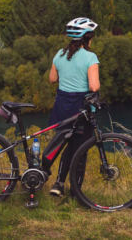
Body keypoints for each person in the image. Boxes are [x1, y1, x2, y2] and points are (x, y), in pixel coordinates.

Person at [47, 17, 100, 197]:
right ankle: (76, 191)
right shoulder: (90, 57)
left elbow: (52, 79)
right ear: (87, 38)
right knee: (80, 150)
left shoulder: (59, 54)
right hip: (81, 107)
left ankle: (58, 184)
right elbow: (94, 86)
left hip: (62, 105)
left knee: (65, 145)